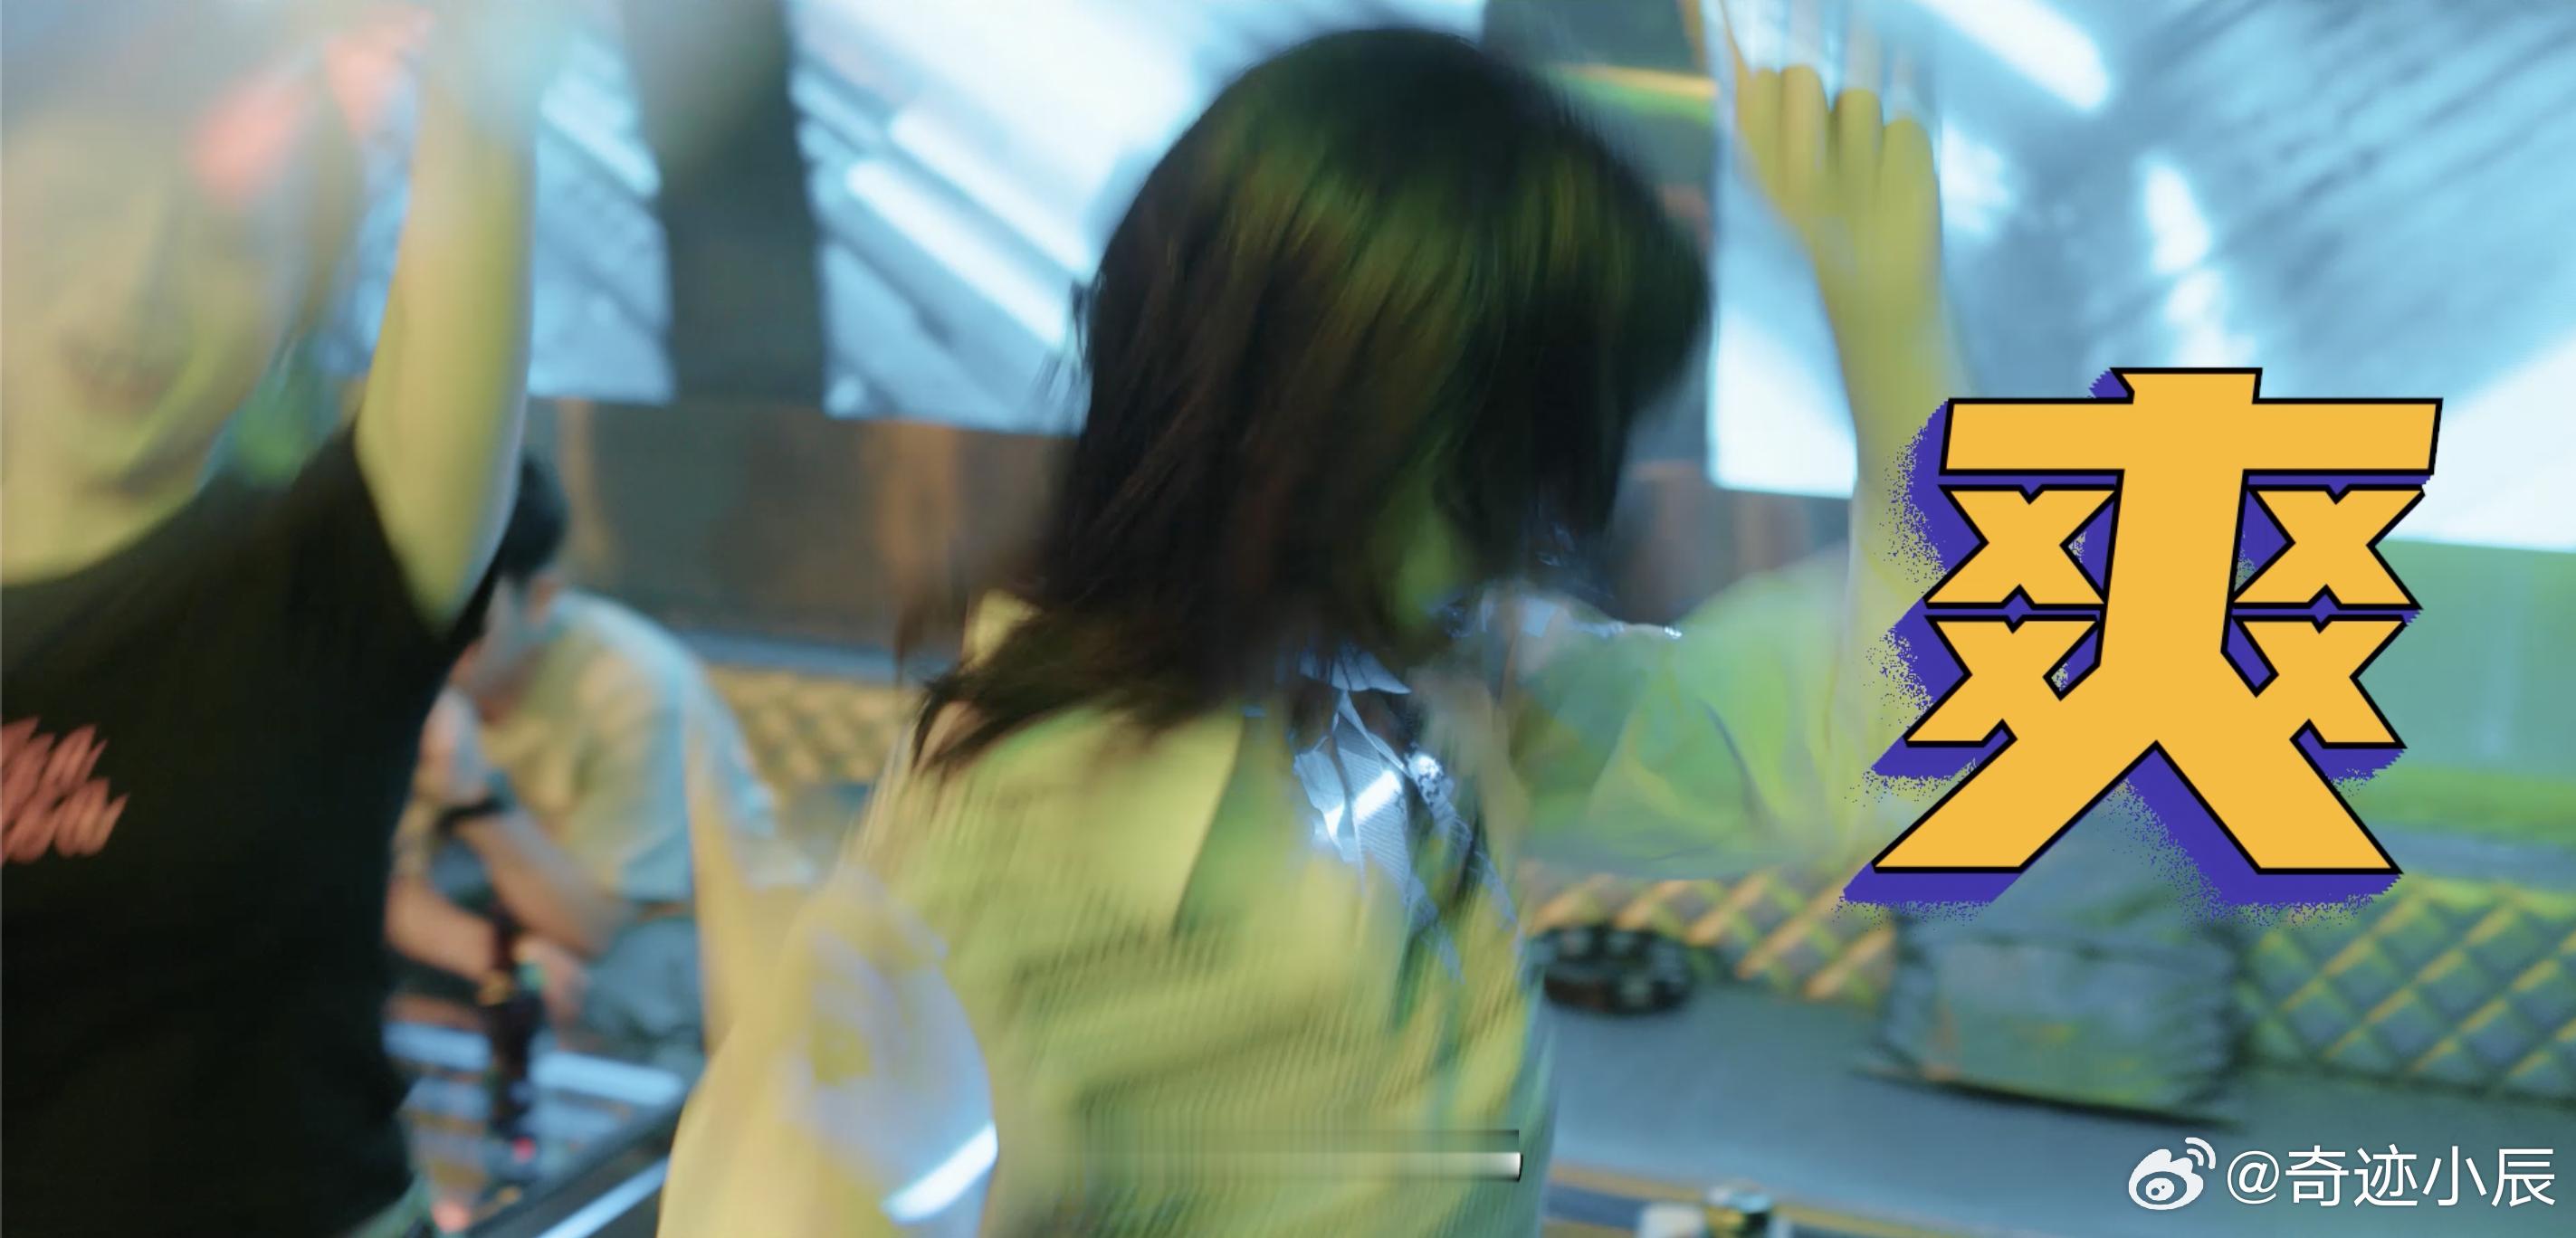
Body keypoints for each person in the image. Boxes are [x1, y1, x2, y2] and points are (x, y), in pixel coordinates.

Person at [661, 25, 1958, 1238]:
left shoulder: (1417, 688)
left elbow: (1910, 747)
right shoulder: (1026, 839)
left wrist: (1890, 323)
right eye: (1508, 470)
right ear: (1339, 437)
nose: (1534, 536)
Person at [0, 3, 549, 1235]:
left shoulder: (334, 572)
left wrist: (474, 68)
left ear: (300, 300)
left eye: (228, 243)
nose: (136, 288)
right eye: (78, 213)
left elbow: (488, 98)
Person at [388, 452, 806, 1063]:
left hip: (690, 921)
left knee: (585, 998)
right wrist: (498, 955)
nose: (436, 643)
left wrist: (474, 799)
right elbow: (374, 882)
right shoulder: (406, 673)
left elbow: (594, 927)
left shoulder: (631, 686)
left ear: (540, 597)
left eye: (467, 623)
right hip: (529, 914)